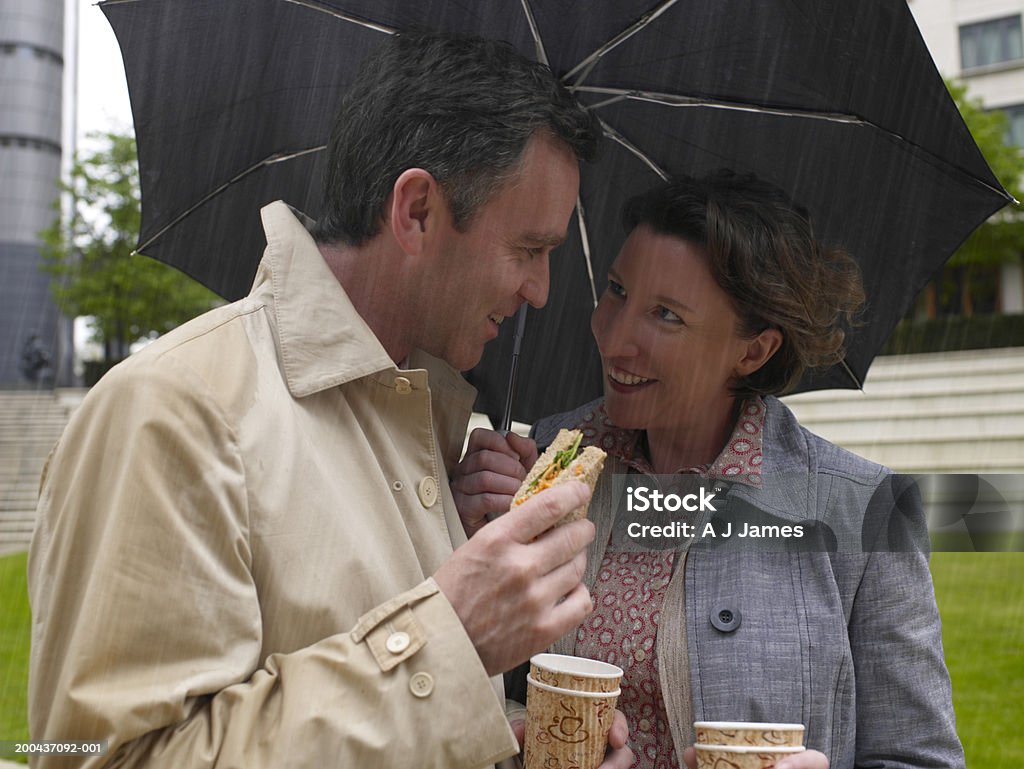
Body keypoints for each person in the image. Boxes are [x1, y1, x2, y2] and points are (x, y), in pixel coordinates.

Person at [28, 32, 634, 769]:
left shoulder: (442, 434)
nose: (540, 290)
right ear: (415, 210)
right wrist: (454, 635)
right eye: (529, 249)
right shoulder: (174, 412)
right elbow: (112, 757)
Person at [453, 170, 964, 769]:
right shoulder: (543, 467)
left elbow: (921, 758)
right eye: (617, 290)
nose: (614, 339)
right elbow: (462, 689)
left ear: (754, 351)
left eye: (667, 315)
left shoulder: (865, 513)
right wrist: (462, 534)